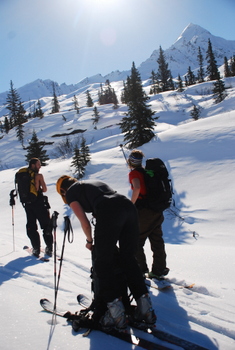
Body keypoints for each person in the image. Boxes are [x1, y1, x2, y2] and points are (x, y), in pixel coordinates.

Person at [56, 175, 156, 330]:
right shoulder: (92, 184)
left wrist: (90, 242)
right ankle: (146, 310)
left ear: (63, 190)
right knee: (128, 259)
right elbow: (110, 202)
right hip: (129, 208)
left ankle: (116, 315)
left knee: (102, 263)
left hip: (110, 211)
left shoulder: (71, 193)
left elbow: (85, 223)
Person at [128, 150, 169, 280]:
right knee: (157, 240)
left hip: (144, 211)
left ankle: (140, 270)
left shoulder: (134, 173)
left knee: (136, 240)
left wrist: (130, 204)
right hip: (157, 210)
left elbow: (137, 188)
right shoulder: (148, 172)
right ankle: (159, 270)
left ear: (130, 161)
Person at [23, 158, 53, 257]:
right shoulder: (38, 176)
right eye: (38, 164)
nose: (40, 166)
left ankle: (36, 248)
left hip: (28, 204)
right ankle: (49, 248)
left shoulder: (23, 175)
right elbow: (44, 189)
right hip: (39, 203)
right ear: (33, 165)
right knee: (46, 226)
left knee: (31, 226)